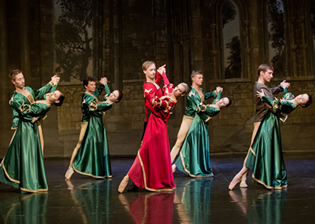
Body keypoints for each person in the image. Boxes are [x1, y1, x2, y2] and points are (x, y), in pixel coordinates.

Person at [117, 62, 189, 193]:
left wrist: (162, 76)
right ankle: (129, 178)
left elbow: (161, 91)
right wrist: (163, 77)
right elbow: (156, 96)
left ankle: (134, 179)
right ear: (144, 71)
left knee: (154, 152)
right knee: (144, 149)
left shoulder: (166, 95)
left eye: (154, 70)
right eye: (151, 70)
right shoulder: (149, 87)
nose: (153, 72)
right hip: (153, 122)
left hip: (158, 123)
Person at [229, 64, 290, 190]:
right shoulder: (259, 86)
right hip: (261, 121)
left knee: (255, 149)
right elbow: (270, 102)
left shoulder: (262, 87)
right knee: (253, 149)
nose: (271, 76)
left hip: (265, 121)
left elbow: (270, 93)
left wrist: (280, 87)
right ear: (261, 73)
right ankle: (240, 177)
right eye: (269, 73)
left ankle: (243, 177)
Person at [0, 69, 60, 193]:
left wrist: (51, 84)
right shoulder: (16, 98)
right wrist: (34, 117)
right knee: (27, 153)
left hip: (34, 125)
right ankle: (28, 183)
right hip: (27, 126)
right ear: (13, 82)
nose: (22, 81)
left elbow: (37, 93)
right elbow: (24, 111)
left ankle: (35, 181)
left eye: (22, 78)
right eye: (19, 79)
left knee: (35, 152)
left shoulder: (28, 89)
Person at [65, 76, 123, 180]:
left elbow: (101, 98)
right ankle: (72, 167)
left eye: (94, 85)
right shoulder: (87, 97)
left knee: (94, 145)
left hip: (95, 123)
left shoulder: (103, 100)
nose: (94, 87)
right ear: (85, 86)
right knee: (82, 144)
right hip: (88, 122)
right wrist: (104, 85)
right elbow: (94, 102)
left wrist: (103, 85)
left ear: (116, 99)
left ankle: (90, 168)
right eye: (91, 85)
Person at [171, 70, 222, 177]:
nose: (201, 80)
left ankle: (194, 165)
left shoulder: (200, 90)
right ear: (193, 78)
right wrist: (212, 110)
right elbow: (200, 107)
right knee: (179, 142)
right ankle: (167, 166)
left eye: (202, 78)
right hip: (189, 119)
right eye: (199, 78)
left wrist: (215, 93)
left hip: (197, 120)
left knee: (194, 144)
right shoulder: (191, 93)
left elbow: (204, 96)